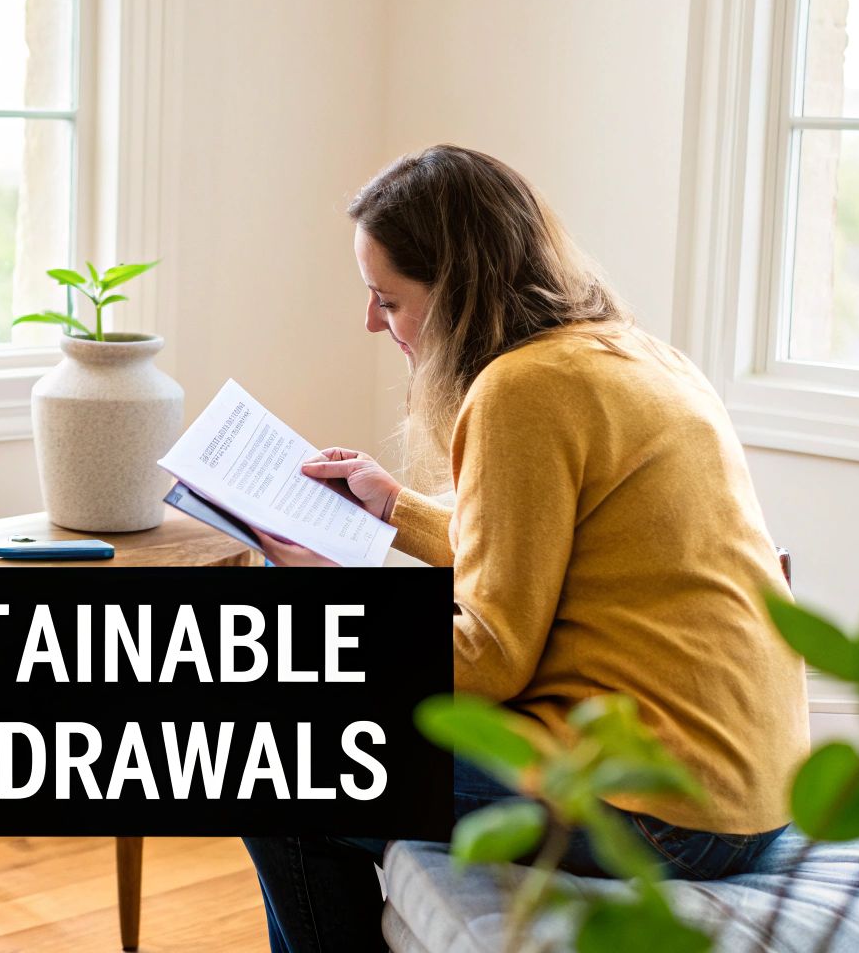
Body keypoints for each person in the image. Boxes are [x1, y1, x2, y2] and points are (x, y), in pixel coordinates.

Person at [242, 146, 808, 951]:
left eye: (386, 298)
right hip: (747, 785)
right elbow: (543, 550)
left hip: (668, 813)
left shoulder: (522, 390)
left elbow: (491, 655)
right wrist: (393, 506)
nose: (373, 323)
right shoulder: (635, 354)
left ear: (457, 293)